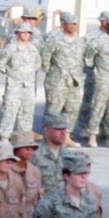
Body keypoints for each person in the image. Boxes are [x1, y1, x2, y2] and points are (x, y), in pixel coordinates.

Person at [40, 12, 84, 145]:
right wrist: (49, 71)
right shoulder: (54, 38)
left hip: (74, 80)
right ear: (63, 24)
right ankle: (49, 136)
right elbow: (45, 55)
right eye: (71, 23)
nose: (74, 26)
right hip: (57, 79)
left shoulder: (79, 40)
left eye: (75, 24)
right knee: (54, 109)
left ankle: (66, 136)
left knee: (72, 108)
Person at [81, 16, 109, 148]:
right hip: (102, 78)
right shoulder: (98, 41)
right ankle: (92, 135)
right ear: (108, 26)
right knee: (98, 107)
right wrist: (97, 71)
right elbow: (88, 58)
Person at [0, 22, 40, 139]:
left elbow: (37, 63)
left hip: (28, 85)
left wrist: (29, 73)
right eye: (23, 32)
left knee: (27, 111)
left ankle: (24, 136)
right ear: (18, 33)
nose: (26, 35)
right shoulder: (11, 48)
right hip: (14, 84)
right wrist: (12, 73)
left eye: (28, 33)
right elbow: (1, 64)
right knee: (10, 110)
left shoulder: (32, 49)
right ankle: (5, 136)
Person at [30, 114, 71, 195]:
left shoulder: (69, 155)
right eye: (58, 129)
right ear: (47, 130)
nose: (63, 133)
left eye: (64, 129)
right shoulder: (35, 155)